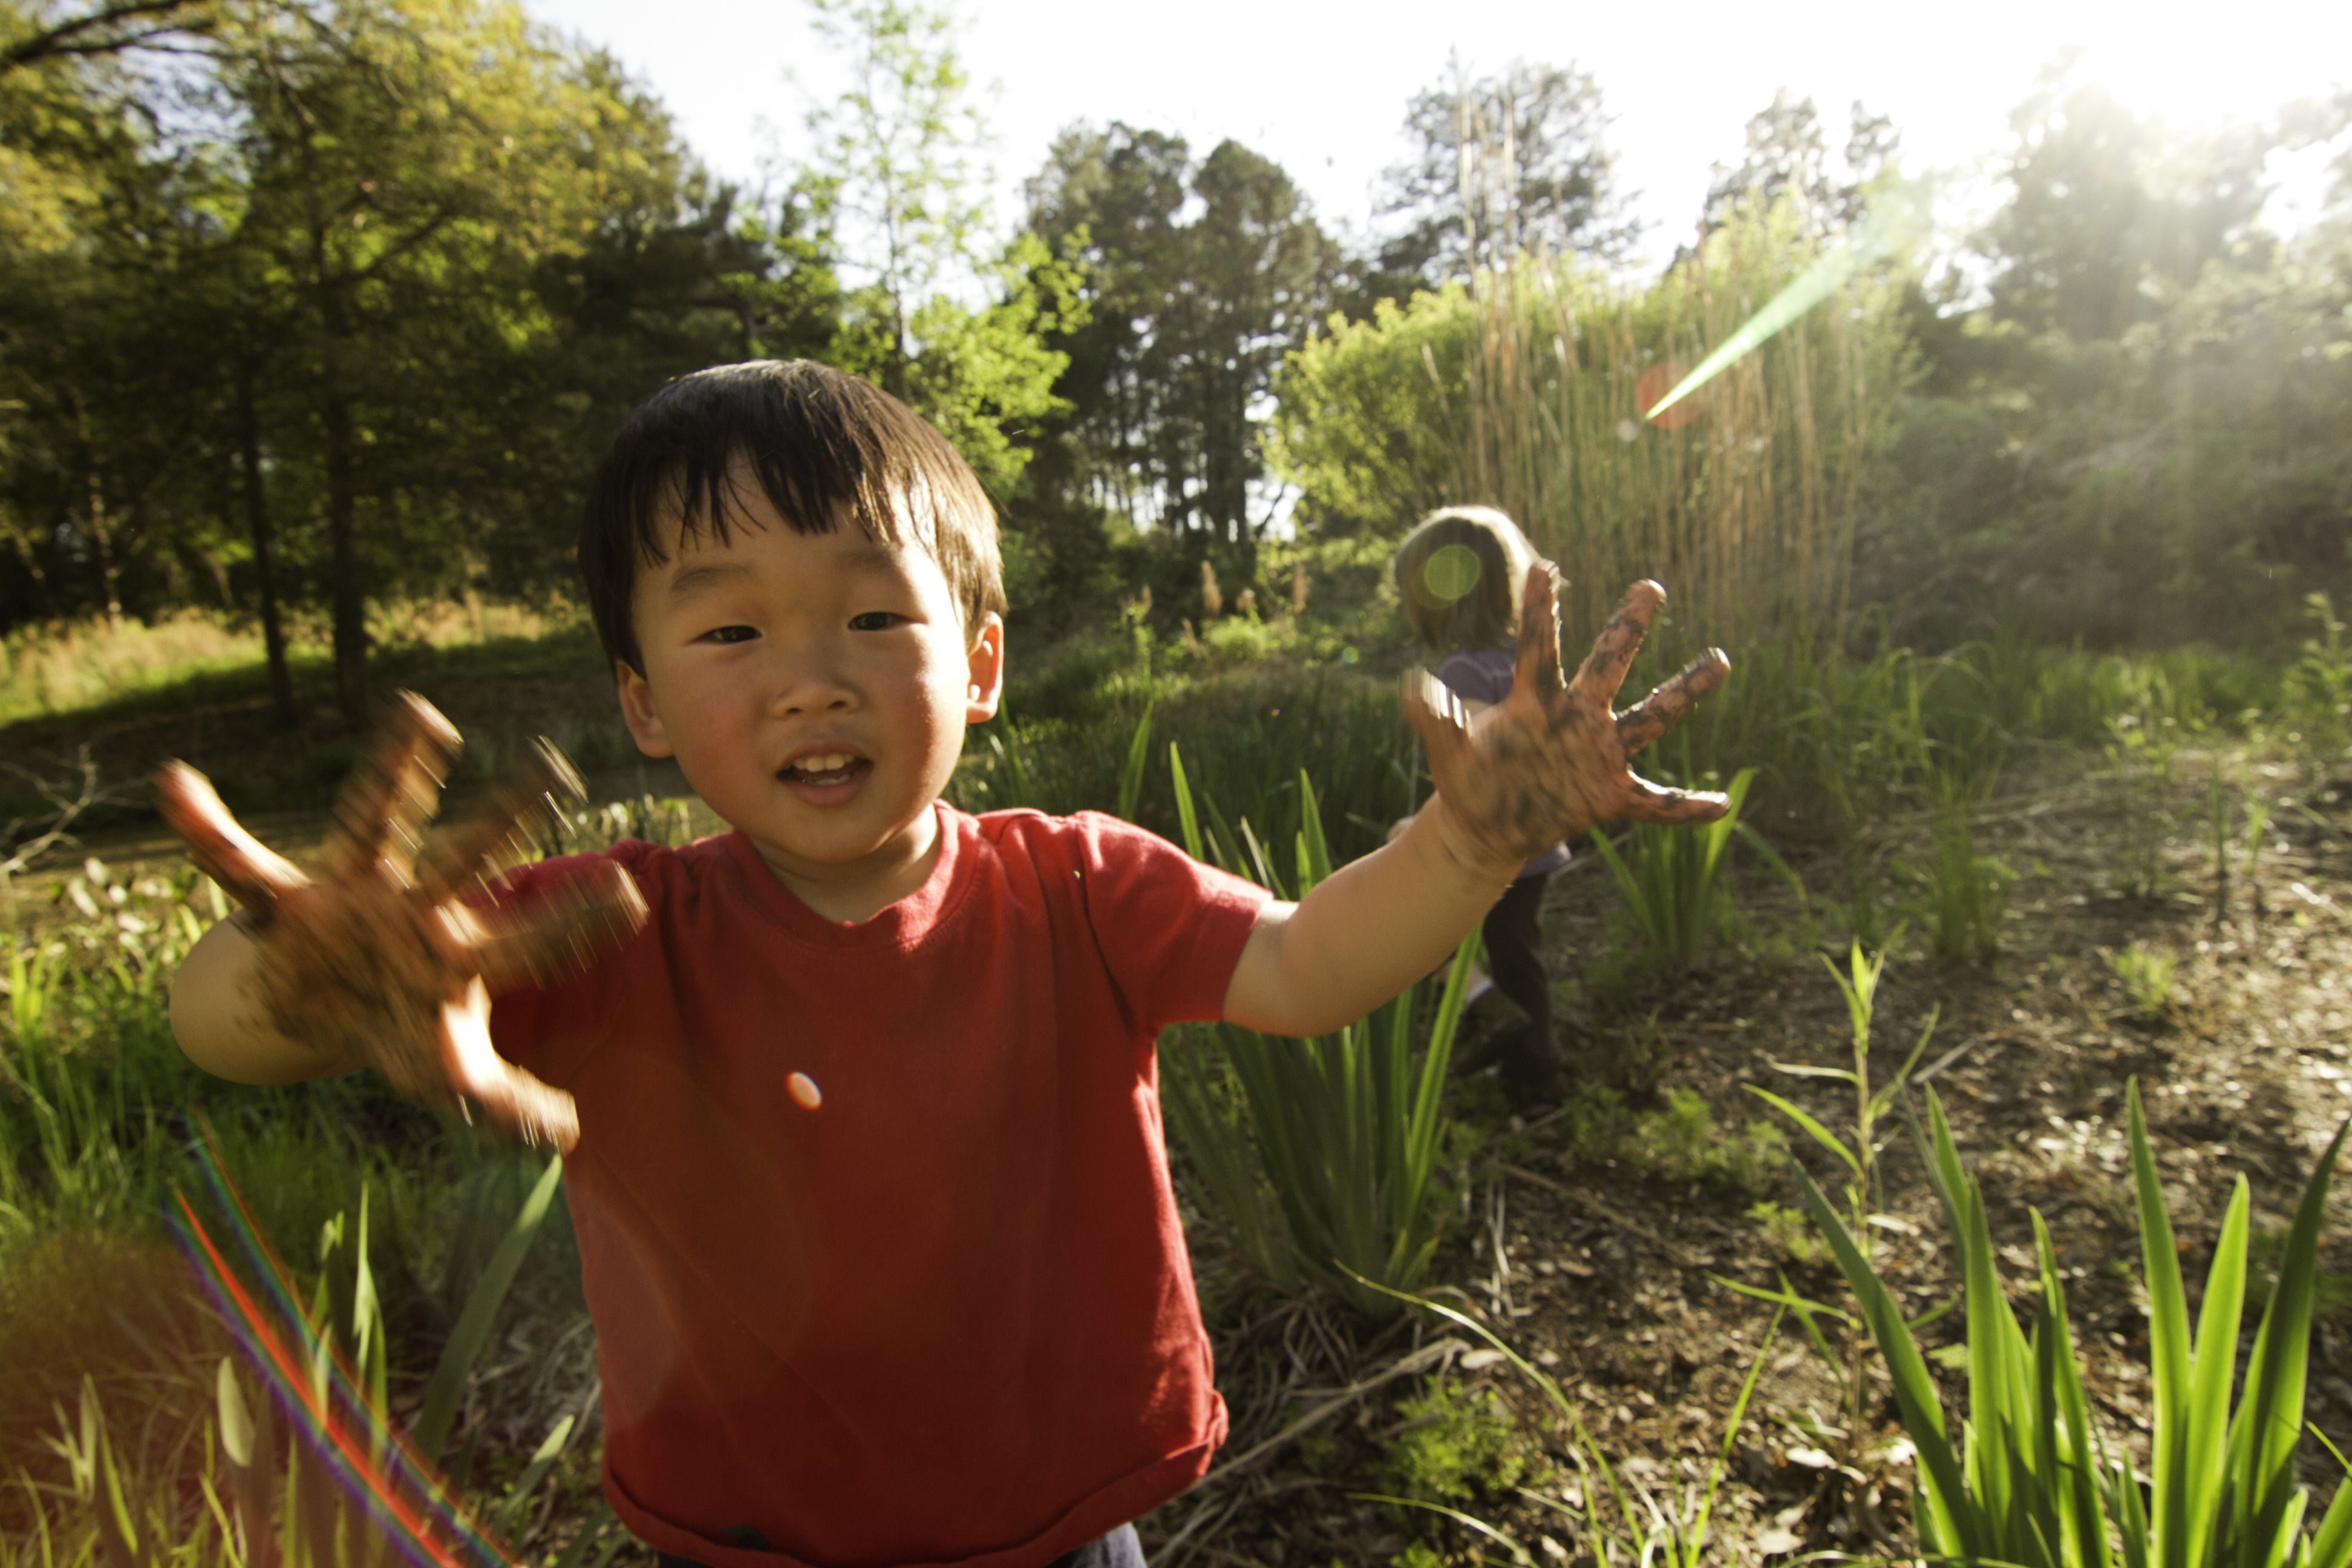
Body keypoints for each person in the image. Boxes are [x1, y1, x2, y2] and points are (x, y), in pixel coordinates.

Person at [162, 361, 1731, 1568]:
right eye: (729, 638)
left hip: (1057, 1530)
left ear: (978, 663)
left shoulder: (1076, 886)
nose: (809, 682)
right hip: (745, 1540)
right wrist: (307, 980)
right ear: (640, 702)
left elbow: (1306, 969)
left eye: (868, 613)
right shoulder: (599, 923)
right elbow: (222, 1034)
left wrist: (1469, 846)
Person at [1391, 506, 1576, 1100]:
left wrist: (1419, 828)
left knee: (1418, 935)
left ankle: (1484, 1008)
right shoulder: (1530, 662)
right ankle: (1537, 1071)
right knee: (1520, 956)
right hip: (1538, 840)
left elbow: (1475, 767)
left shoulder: (1465, 670)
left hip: (1489, 846)